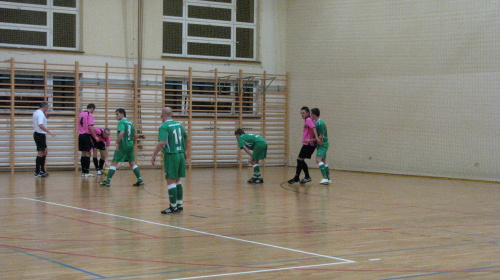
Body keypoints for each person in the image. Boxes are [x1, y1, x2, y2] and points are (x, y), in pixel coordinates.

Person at [151, 107, 189, 214]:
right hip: (180, 154)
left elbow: (161, 143)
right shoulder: (179, 125)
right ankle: (179, 203)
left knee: (170, 180)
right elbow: (187, 138)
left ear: (163, 115)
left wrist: (154, 155)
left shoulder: (164, 126)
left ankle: (173, 207)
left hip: (171, 155)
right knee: (177, 180)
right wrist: (185, 151)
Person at [99, 108, 144, 187]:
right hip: (130, 146)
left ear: (122, 114)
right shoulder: (130, 123)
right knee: (132, 163)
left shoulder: (121, 122)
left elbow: (122, 133)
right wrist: (133, 144)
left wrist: (116, 142)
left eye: (117, 114)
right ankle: (140, 179)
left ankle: (108, 181)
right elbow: (135, 136)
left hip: (122, 146)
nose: (116, 116)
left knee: (114, 162)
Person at [287, 106, 318, 184]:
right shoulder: (307, 120)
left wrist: (316, 138)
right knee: (300, 160)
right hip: (307, 144)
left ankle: (299, 177)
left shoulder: (308, 119)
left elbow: (314, 128)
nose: (302, 114)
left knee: (299, 159)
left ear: (308, 113)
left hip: (309, 144)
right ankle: (302, 177)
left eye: (303, 113)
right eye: (301, 113)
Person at [33, 102, 55, 177]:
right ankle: (37, 171)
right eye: (47, 108)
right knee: (41, 152)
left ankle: (42, 170)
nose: (47, 110)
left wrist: (45, 117)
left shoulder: (37, 112)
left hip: (40, 134)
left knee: (45, 151)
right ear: (45, 107)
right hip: (39, 134)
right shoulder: (40, 114)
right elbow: (40, 125)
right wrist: (49, 132)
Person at [310, 108, 331, 184]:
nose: (310, 115)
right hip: (320, 144)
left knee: (318, 160)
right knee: (323, 161)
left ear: (315, 114)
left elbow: (321, 136)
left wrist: (311, 140)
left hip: (323, 144)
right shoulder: (316, 123)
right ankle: (328, 179)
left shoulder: (320, 124)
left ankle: (325, 178)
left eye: (311, 113)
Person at [78, 104, 98, 177]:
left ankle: (83, 172)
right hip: (86, 135)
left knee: (83, 153)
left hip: (80, 135)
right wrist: (95, 136)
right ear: (92, 108)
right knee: (88, 153)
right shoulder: (90, 114)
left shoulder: (80, 114)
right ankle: (87, 172)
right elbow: (90, 126)